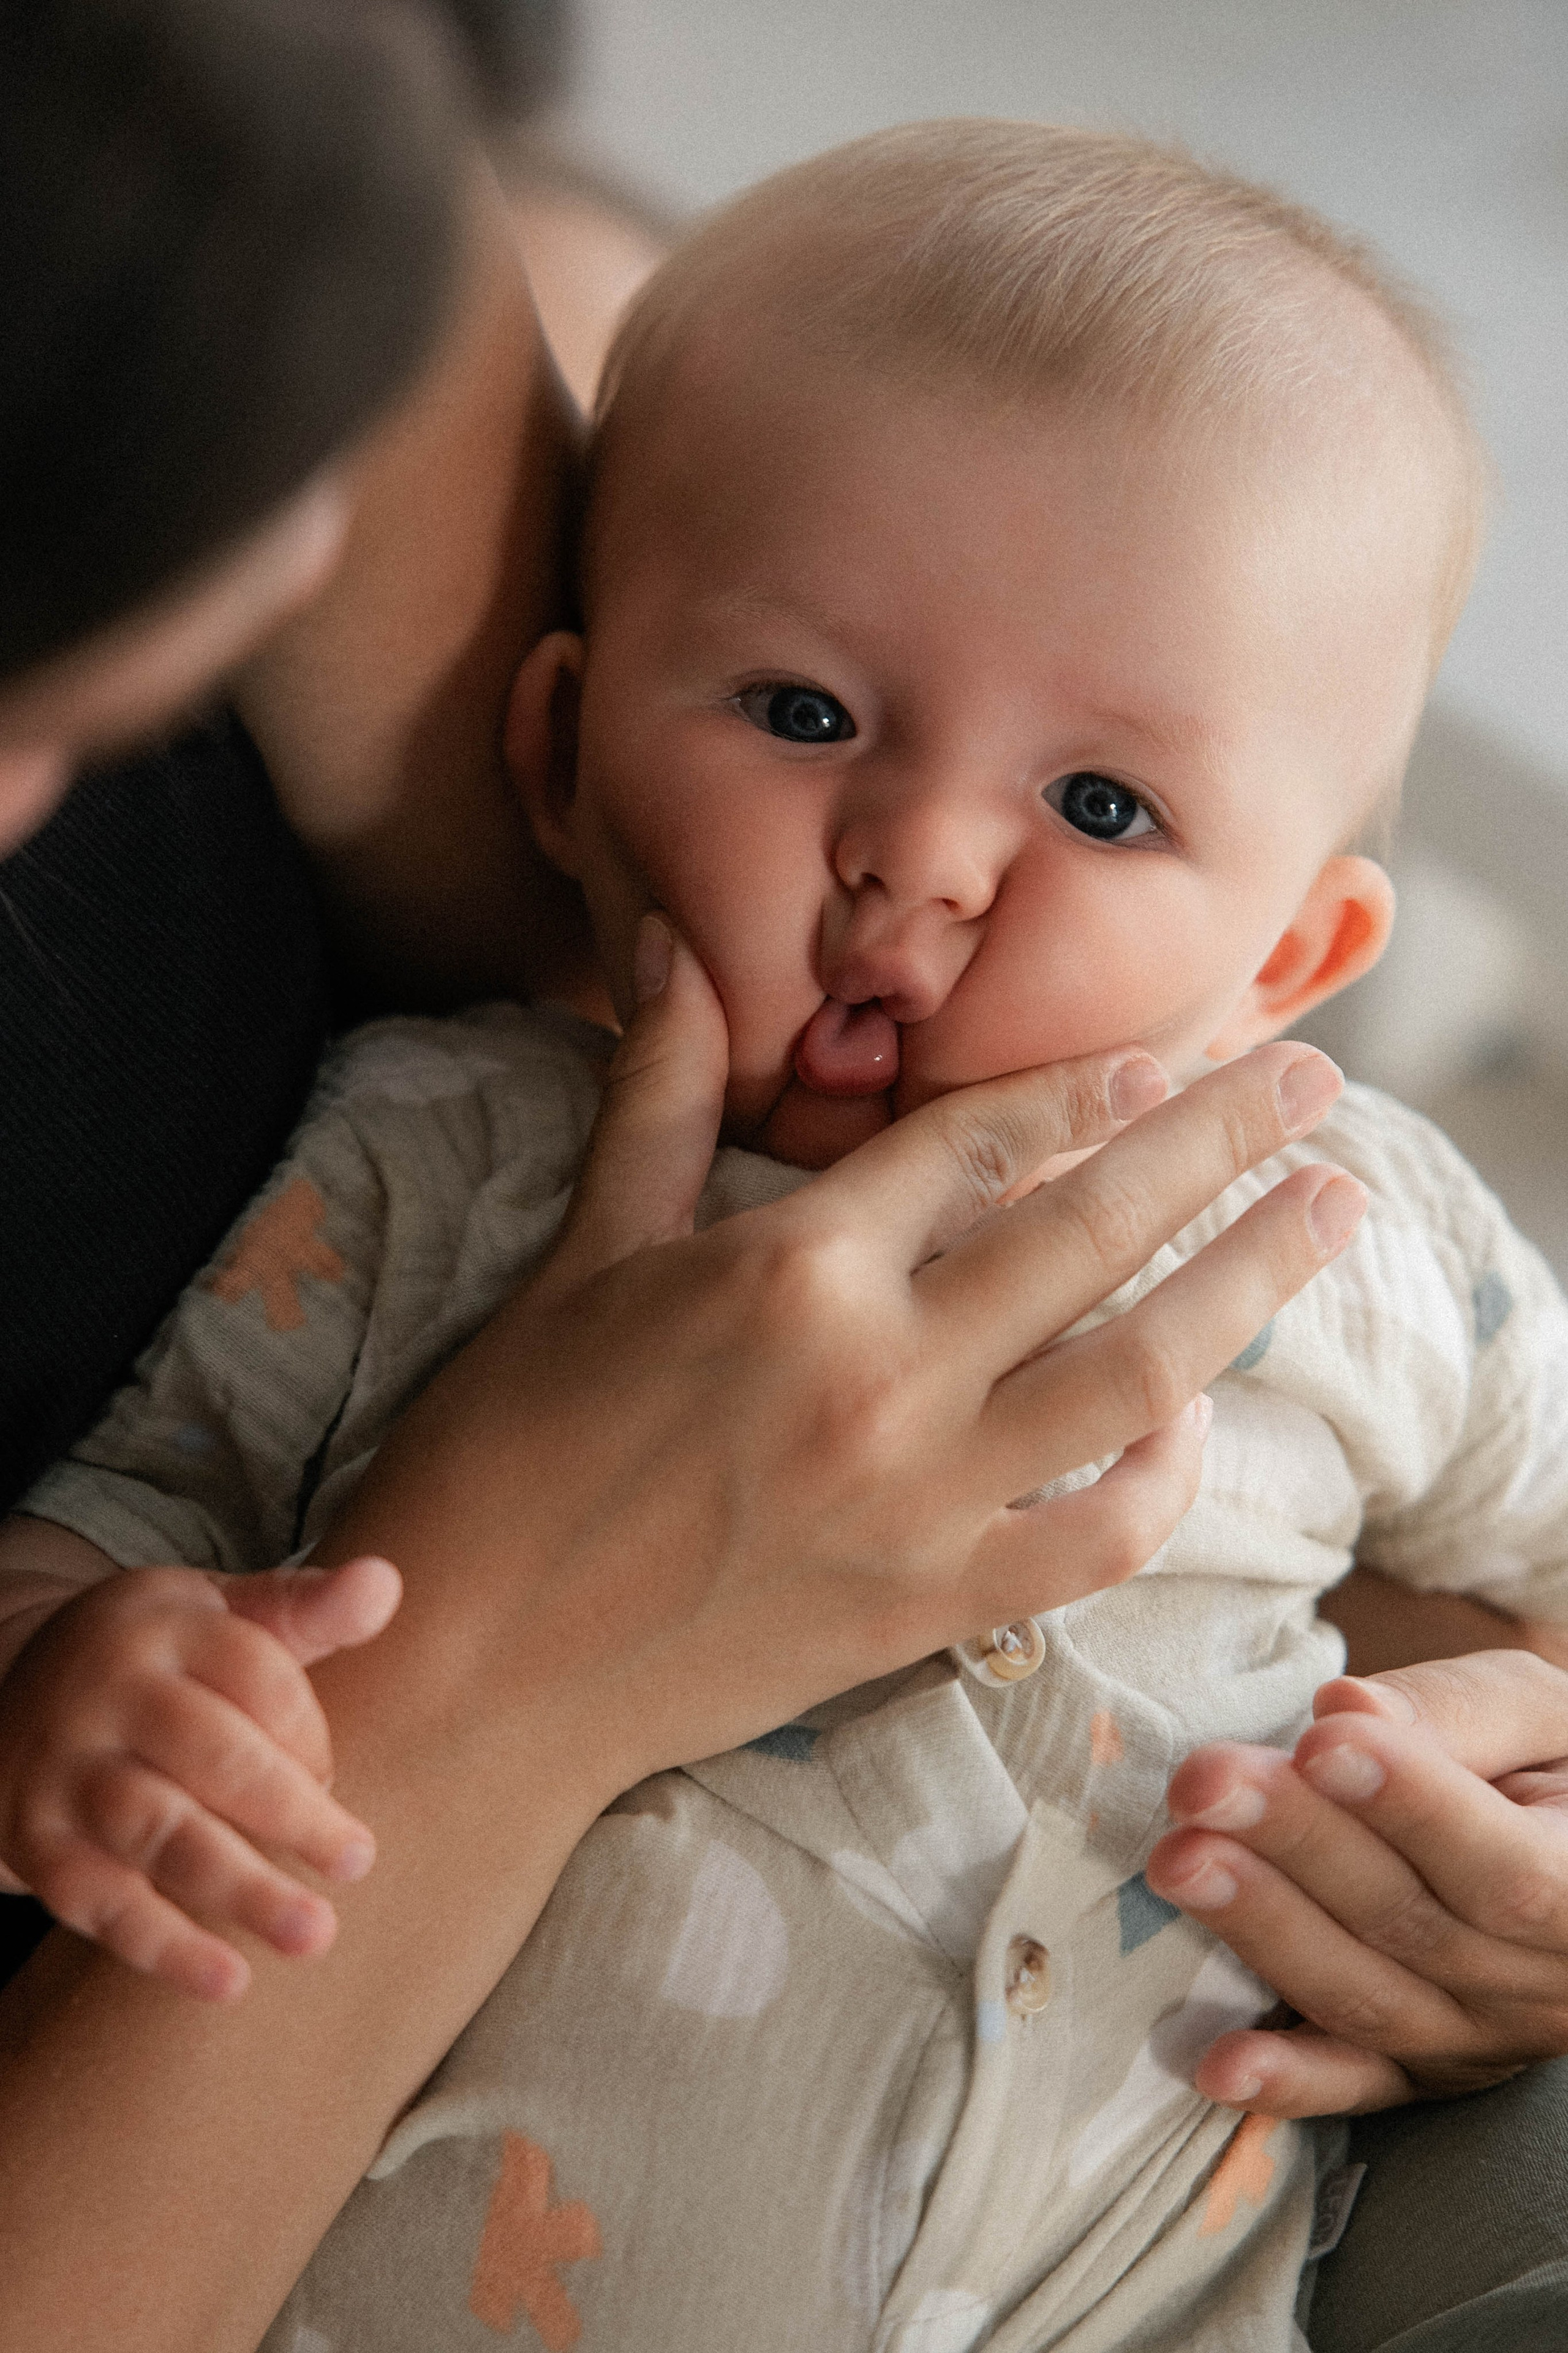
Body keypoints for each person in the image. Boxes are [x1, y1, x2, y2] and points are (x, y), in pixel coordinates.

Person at [7, 118, 1568, 2351]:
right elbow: (107, 1529)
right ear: (559, 756)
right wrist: (77, 1674)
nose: (920, 852)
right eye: (803, 712)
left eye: (1103, 804)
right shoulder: (429, 1161)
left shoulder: (1356, 1221)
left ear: (1297, 949)